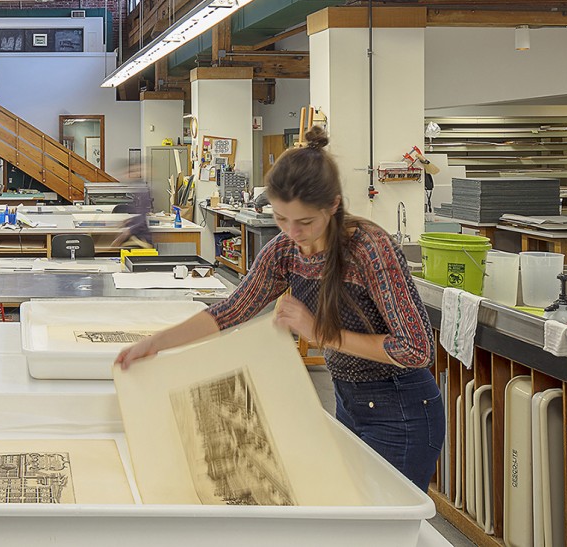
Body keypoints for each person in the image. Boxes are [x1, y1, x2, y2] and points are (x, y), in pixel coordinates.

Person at [116, 127, 444, 488]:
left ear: (333, 205)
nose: (292, 232)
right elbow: (229, 311)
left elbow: (416, 349)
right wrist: (156, 344)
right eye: (282, 219)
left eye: (305, 221)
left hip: (402, 412)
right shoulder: (285, 251)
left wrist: (319, 331)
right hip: (348, 401)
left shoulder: (370, 249)